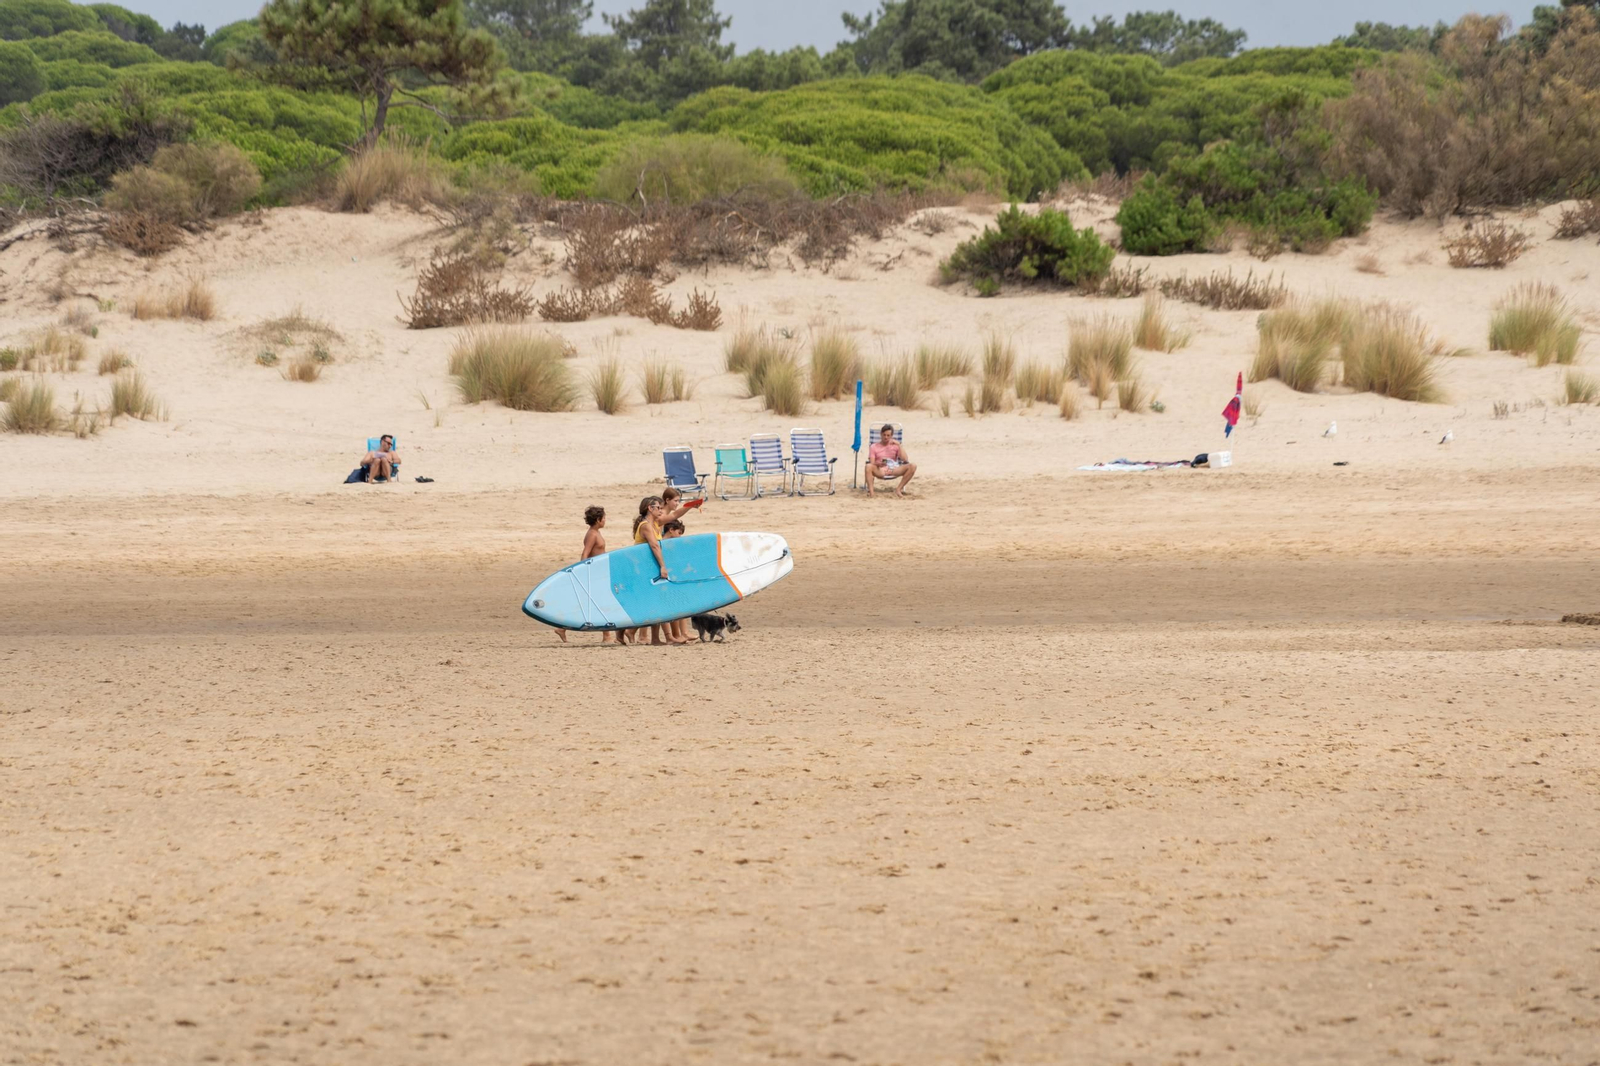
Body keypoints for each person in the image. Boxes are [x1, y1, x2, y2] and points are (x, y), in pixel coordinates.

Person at [557, 506, 619, 644]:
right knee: (601, 602)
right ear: (598, 520)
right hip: (593, 574)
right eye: (604, 518)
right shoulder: (592, 534)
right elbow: (585, 553)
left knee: (593, 602)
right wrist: (582, 571)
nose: (605, 520)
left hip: (599, 573)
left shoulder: (596, 532)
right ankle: (606, 636)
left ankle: (562, 628)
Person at [630, 496, 684, 646]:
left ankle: (653, 638)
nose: (661, 510)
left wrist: (691, 505)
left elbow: (674, 515)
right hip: (644, 568)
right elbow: (654, 546)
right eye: (658, 508)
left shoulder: (655, 523)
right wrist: (662, 566)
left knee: (657, 600)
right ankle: (630, 631)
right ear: (650, 508)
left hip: (650, 567)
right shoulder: (645, 526)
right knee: (654, 601)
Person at [865, 424, 917, 497]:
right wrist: (878, 464)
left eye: (888, 435)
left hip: (893, 469)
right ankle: (871, 493)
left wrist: (899, 445)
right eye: (884, 435)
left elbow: (905, 459)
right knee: (868, 466)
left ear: (891, 436)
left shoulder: (895, 445)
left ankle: (898, 489)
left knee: (913, 466)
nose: (886, 437)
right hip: (880, 469)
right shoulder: (874, 446)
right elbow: (872, 462)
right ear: (881, 434)